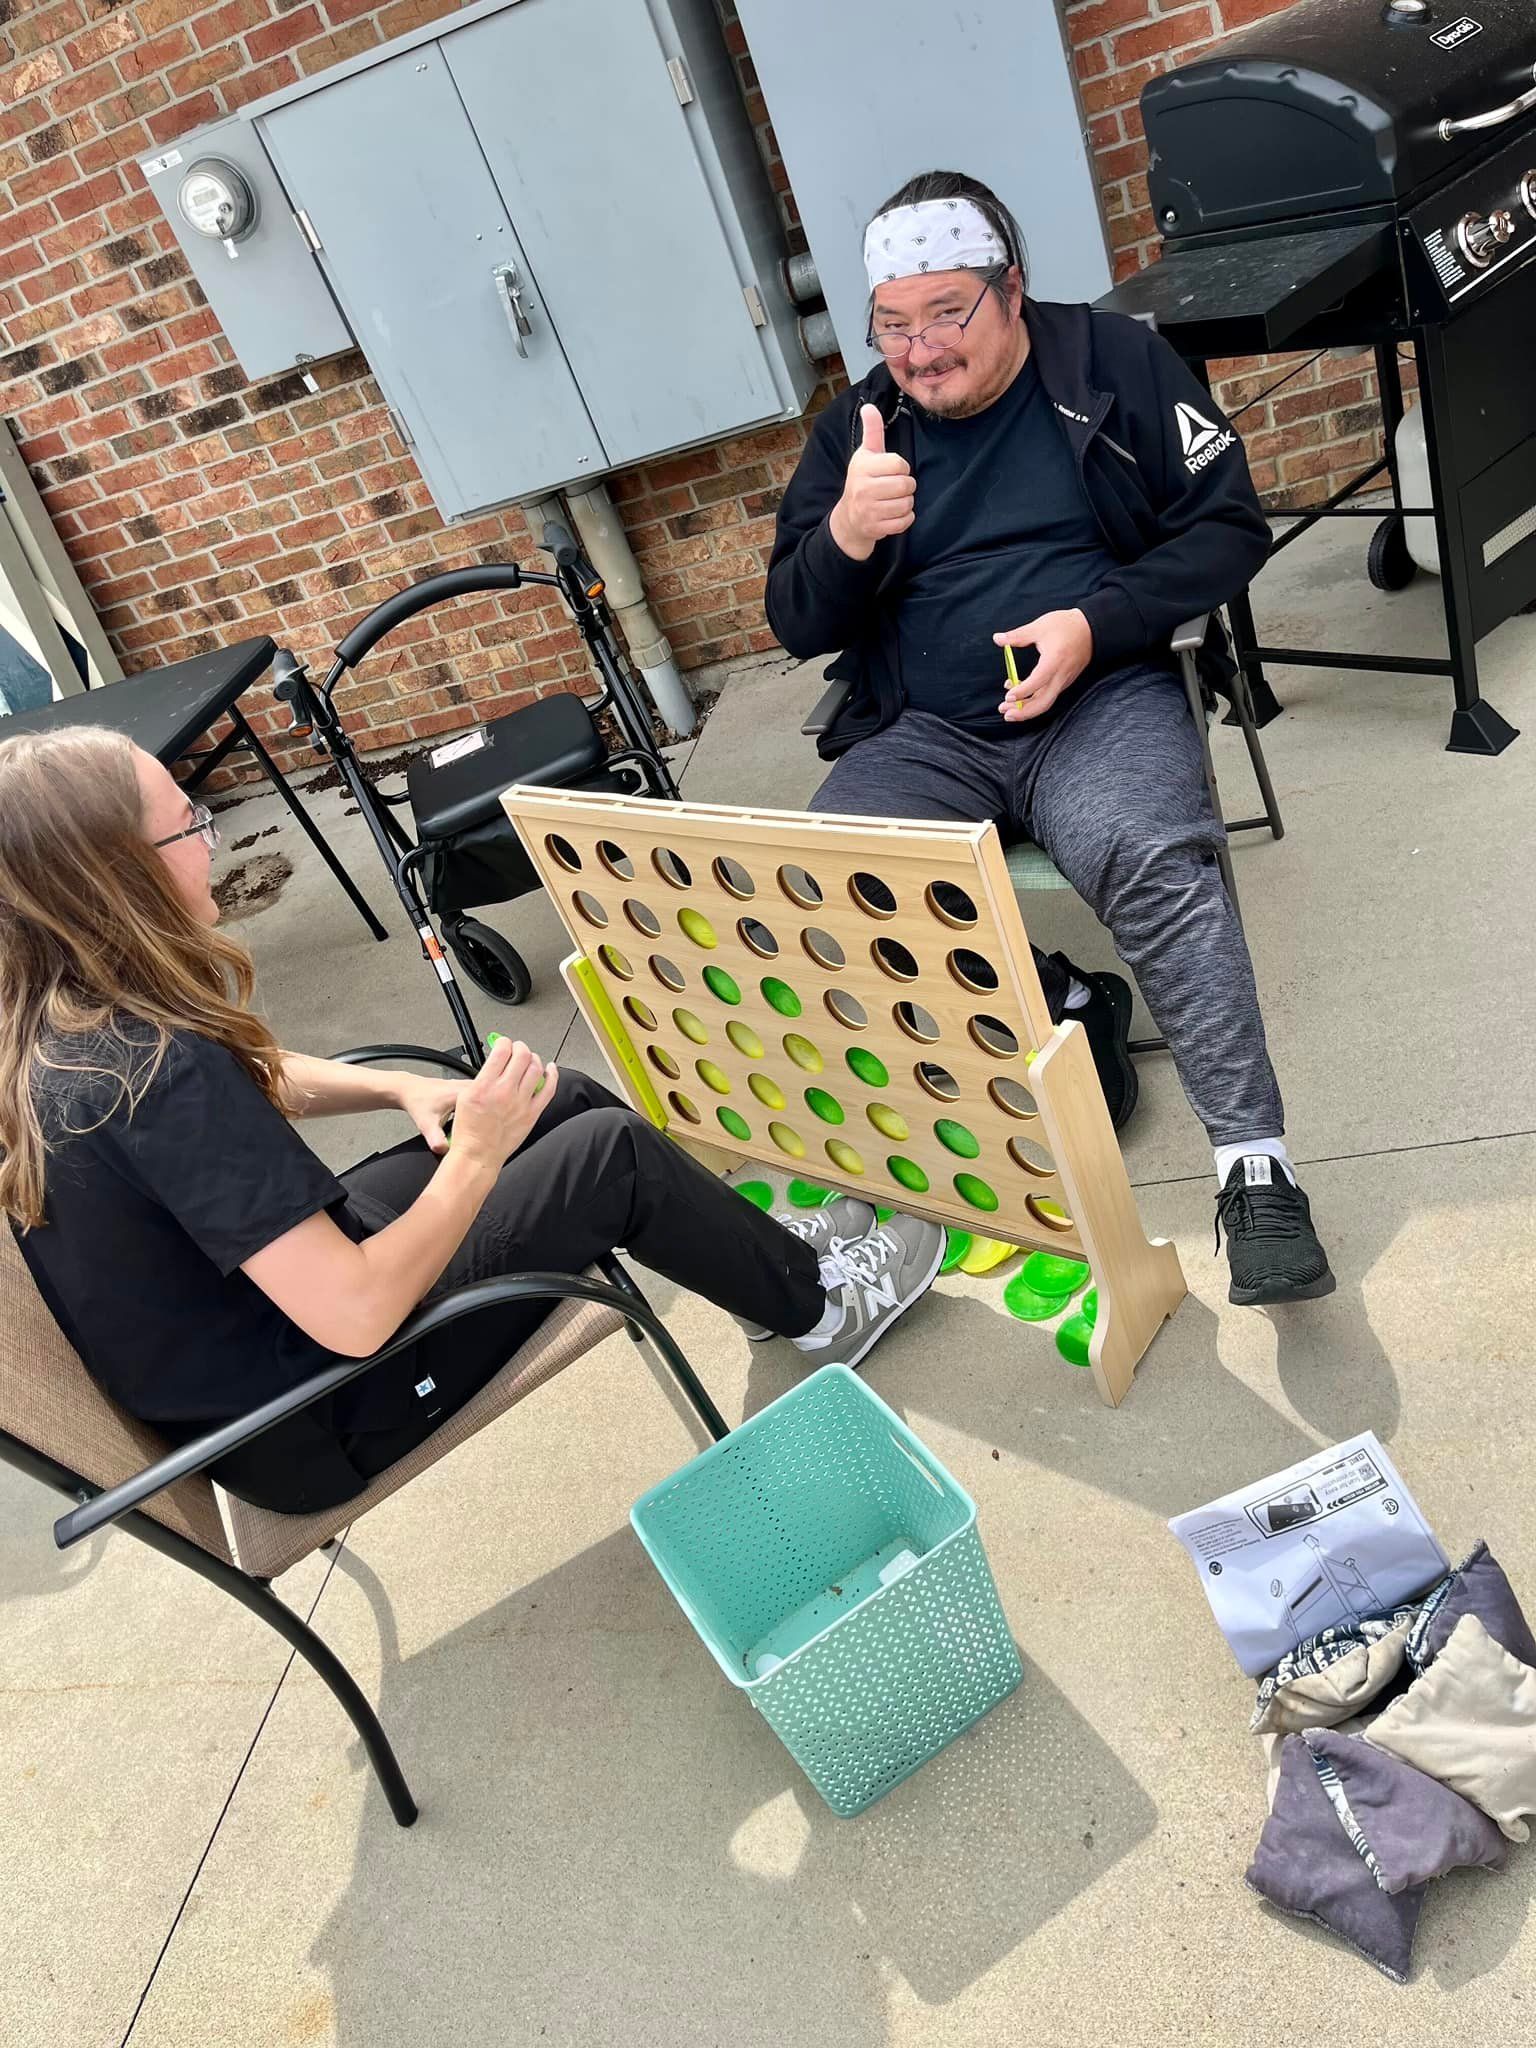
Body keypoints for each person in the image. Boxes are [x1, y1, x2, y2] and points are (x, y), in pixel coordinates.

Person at [0, 729, 944, 1517]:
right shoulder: (155, 1070)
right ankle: (825, 1312)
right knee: (606, 1156)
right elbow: (360, 1315)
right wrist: (477, 1155)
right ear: (119, 874)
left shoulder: (67, 1021)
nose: (213, 844)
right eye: (190, 827)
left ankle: (771, 1272)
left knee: (559, 1099)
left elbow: (253, 1084)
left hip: (261, 1334)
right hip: (320, 1406)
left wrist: (400, 1091)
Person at [766, 168, 1333, 1308]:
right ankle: (1055, 1007)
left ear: (1011, 290)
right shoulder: (861, 428)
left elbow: (1231, 524)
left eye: (945, 315)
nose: (917, 353)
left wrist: (1095, 622)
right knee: (837, 879)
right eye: (892, 324)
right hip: (929, 730)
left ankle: (1254, 1169)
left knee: (1148, 849)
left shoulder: (1114, 367)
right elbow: (795, 616)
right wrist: (841, 536)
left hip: (1100, 698)